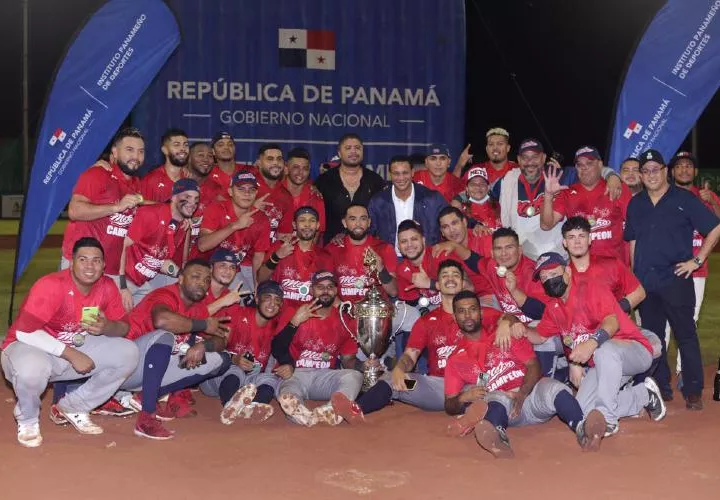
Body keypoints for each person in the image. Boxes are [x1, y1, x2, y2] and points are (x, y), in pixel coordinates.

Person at [1, 237, 139, 447]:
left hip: (73, 349)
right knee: (32, 369)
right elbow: (24, 332)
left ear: (103, 265)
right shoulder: (51, 285)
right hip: (29, 347)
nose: (90, 266)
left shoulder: (107, 286)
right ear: (71, 262)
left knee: (128, 352)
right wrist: (71, 353)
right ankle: (28, 419)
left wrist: (107, 327)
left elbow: (124, 327)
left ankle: (73, 406)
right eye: (83, 259)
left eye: (96, 260)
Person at [443, 291, 606, 457]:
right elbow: (449, 404)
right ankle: (498, 439)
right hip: (506, 409)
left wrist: (522, 393)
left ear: (481, 312)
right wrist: (463, 397)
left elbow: (534, 365)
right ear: (455, 317)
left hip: (531, 397)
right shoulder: (455, 359)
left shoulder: (504, 334)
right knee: (496, 398)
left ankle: (583, 427)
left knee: (553, 387)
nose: (468, 315)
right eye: (461, 311)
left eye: (472, 309)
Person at [522, 252, 666, 437]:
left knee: (603, 349)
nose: (549, 280)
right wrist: (516, 328)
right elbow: (540, 336)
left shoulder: (591, 289)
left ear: (567, 271)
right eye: (544, 278)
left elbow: (612, 322)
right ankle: (644, 395)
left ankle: (608, 418)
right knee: (582, 408)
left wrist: (591, 344)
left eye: (553, 274)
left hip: (633, 351)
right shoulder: (554, 308)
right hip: (602, 364)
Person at [625, 150, 720, 408]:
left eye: (656, 169)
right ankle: (660, 386)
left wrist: (697, 260)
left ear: (665, 171)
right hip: (647, 281)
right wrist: (635, 278)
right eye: (646, 171)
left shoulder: (684, 199)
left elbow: (714, 228)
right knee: (654, 337)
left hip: (676, 277)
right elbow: (633, 241)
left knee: (685, 334)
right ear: (641, 176)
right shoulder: (636, 203)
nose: (651, 175)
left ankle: (693, 390)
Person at [121, 259, 233, 439]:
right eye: (195, 276)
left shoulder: (197, 308)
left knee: (221, 359)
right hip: (125, 366)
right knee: (165, 336)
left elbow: (221, 339)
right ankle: (146, 418)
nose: (202, 283)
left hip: (151, 373)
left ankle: (147, 395)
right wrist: (202, 324)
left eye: (206, 280)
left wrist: (204, 345)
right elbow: (162, 321)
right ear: (180, 279)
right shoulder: (166, 294)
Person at [355, 260, 470, 415]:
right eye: (444, 275)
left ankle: (471, 412)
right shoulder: (426, 321)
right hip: (436, 388)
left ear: (463, 284)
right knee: (392, 380)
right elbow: (410, 355)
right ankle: (355, 410)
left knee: (487, 391)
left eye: (455, 275)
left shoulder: (480, 315)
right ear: (438, 284)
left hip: (471, 386)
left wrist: (508, 321)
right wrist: (399, 369)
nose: (450, 279)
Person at [493, 138, 623, 260]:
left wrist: (612, 175)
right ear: (518, 160)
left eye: (535, 157)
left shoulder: (560, 175)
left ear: (543, 158)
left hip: (557, 258)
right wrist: (475, 224)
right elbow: (479, 196)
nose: (530, 162)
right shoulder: (507, 180)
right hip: (522, 257)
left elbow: (588, 170)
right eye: (525, 158)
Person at [271, 271, 365, 427]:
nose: (325, 291)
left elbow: (348, 360)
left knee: (354, 376)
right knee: (288, 394)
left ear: (336, 290)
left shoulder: (344, 320)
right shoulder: (293, 311)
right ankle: (303, 414)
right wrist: (294, 322)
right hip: (294, 374)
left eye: (330, 287)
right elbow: (276, 347)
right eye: (320, 287)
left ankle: (331, 408)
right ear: (311, 290)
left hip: (324, 376)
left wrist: (363, 366)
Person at [61, 127, 145, 281]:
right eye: (129, 150)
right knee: (80, 306)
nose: (136, 156)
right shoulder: (98, 174)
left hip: (110, 269)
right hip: (84, 265)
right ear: (115, 152)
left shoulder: (136, 184)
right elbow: (74, 210)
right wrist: (116, 207)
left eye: (141, 151)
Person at [201, 279, 285, 425]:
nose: (272, 304)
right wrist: (233, 359)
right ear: (257, 299)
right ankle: (230, 404)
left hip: (248, 384)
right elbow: (216, 346)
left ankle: (249, 408)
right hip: (218, 377)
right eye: (267, 297)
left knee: (270, 380)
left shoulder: (277, 328)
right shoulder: (237, 314)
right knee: (236, 371)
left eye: (277, 300)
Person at [670, 151, 720, 387]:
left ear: (696, 171)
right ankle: (657, 371)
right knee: (665, 321)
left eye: (689, 166)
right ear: (672, 171)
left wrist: (711, 202)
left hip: (697, 269)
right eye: (679, 166)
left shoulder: (706, 197)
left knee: (690, 319)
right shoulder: (665, 195)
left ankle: (682, 371)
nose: (684, 170)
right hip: (669, 269)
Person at [541, 147, 632, 263]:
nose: (584, 168)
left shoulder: (616, 188)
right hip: (582, 271)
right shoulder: (567, 193)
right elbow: (546, 225)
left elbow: (635, 229)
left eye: (589, 163)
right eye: (580, 164)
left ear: (600, 165)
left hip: (615, 270)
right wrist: (548, 195)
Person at [118, 179, 199, 309]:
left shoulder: (180, 227)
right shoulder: (151, 214)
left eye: (196, 199)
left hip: (141, 284)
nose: (192, 203)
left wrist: (182, 276)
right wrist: (122, 286)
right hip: (122, 279)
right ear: (174, 197)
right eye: (187, 197)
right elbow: (120, 245)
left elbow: (160, 261)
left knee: (156, 312)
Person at [197, 171, 271, 291]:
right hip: (203, 268)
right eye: (241, 189)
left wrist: (257, 290)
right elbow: (202, 246)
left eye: (251, 190)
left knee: (247, 301)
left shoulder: (261, 219)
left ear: (256, 193)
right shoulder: (216, 209)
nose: (247, 193)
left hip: (232, 271)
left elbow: (258, 257)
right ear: (230, 191)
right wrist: (235, 225)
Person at [315, 133, 386, 245]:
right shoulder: (324, 181)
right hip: (332, 250)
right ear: (339, 153)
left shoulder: (375, 181)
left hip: (367, 249)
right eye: (348, 148)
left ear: (363, 151)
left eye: (357, 148)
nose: (353, 152)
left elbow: (381, 219)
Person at [367, 155, 448, 252]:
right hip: (390, 260)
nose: (401, 178)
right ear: (390, 175)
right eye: (396, 173)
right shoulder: (378, 202)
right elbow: (369, 233)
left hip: (426, 258)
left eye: (405, 173)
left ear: (412, 172)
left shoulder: (432, 198)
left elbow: (450, 222)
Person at [258, 206, 332, 307]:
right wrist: (276, 256)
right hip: (279, 314)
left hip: (309, 315)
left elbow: (328, 294)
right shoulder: (280, 246)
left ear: (318, 225)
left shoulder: (325, 257)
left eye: (312, 220)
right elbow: (260, 279)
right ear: (294, 225)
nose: (307, 224)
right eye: (302, 220)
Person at [240, 143, 294, 243]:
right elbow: (228, 220)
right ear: (258, 163)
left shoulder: (286, 196)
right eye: (270, 159)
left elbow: (284, 234)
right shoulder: (245, 185)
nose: (275, 163)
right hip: (240, 252)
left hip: (270, 254)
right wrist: (251, 207)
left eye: (279, 159)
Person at [184, 142, 226, 257]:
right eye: (201, 155)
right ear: (188, 159)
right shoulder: (176, 183)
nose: (206, 159)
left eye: (209, 156)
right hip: (172, 258)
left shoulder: (217, 190)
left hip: (204, 259)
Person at [283, 147, 327, 240]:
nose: (301, 172)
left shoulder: (316, 197)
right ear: (286, 168)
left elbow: (316, 236)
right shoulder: (274, 193)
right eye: (296, 167)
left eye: (305, 168)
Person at [140, 128, 189, 202]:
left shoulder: (190, 179)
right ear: (164, 150)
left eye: (186, 145)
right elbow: (140, 207)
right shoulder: (150, 180)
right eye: (176, 145)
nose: (183, 148)